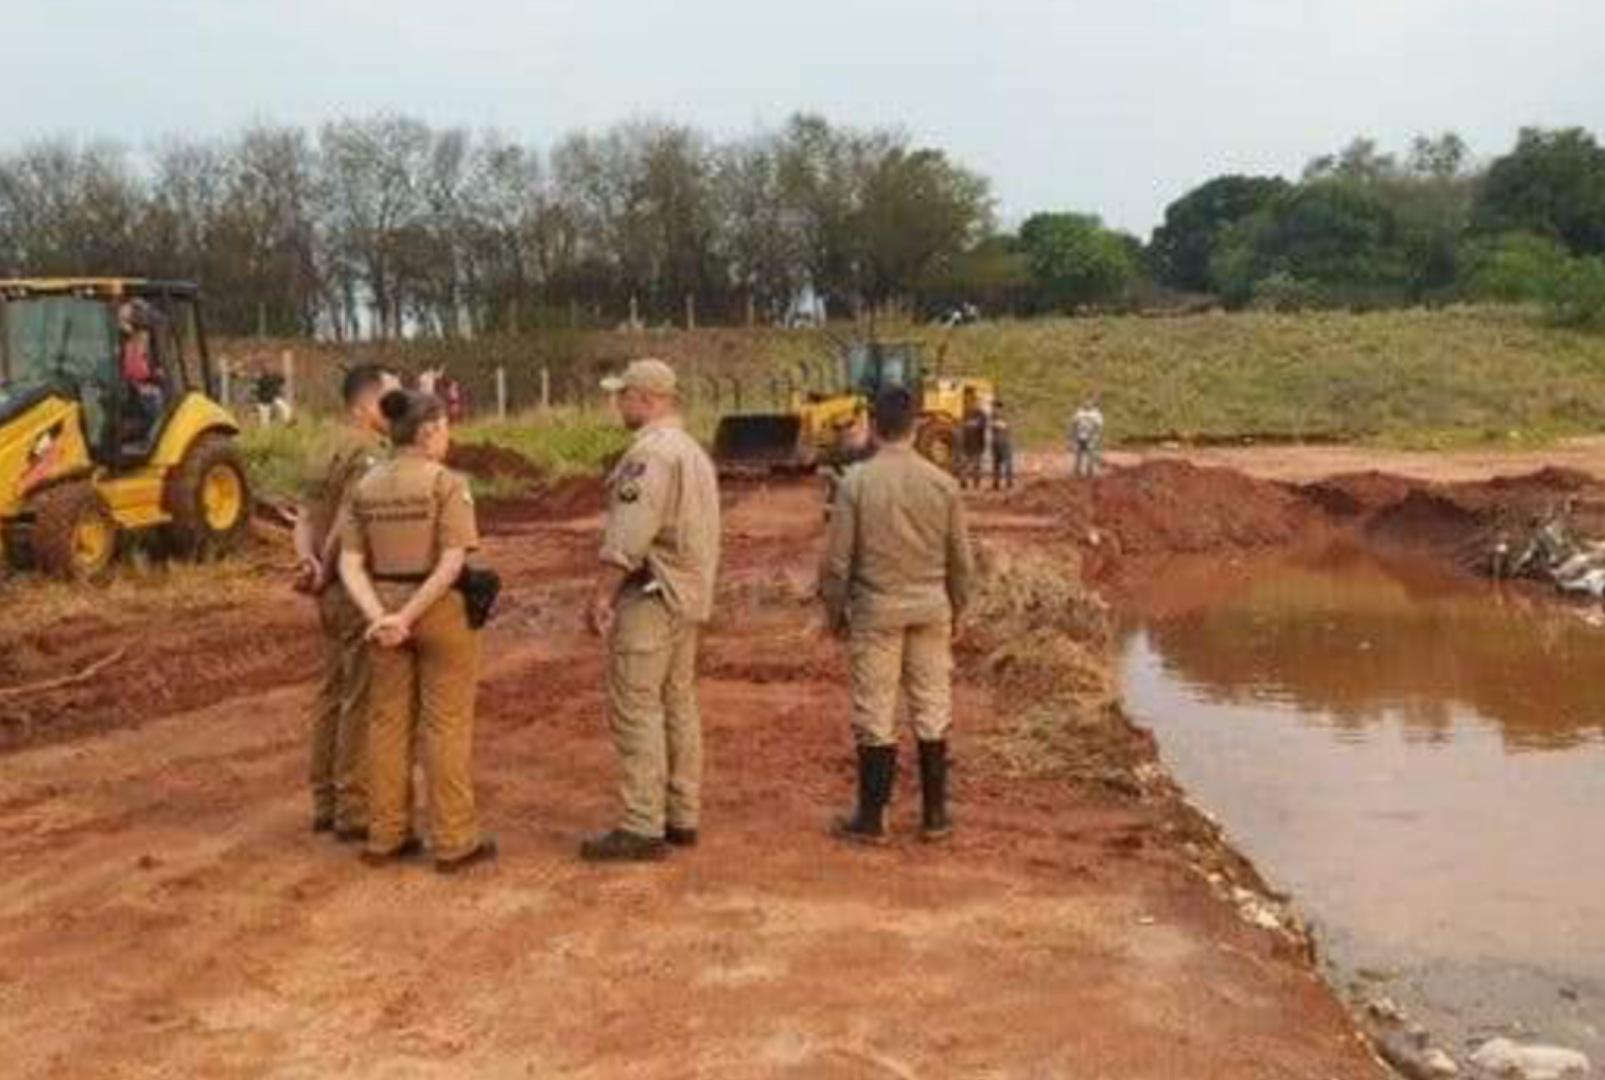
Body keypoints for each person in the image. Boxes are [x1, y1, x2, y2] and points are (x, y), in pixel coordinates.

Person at [339, 389, 497, 874]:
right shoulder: (446, 484)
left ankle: (385, 834)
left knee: (386, 723)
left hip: (382, 606)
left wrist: (380, 618)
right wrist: (410, 616)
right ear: (428, 432)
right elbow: (452, 561)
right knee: (445, 724)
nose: (448, 437)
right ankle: (453, 839)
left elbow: (350, 562)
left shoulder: (366, 486)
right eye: (445, 427)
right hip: (437, 610)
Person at [819, 385, 975, 845]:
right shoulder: (943, 484)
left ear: (872, 422)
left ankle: (872, 819)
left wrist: (835, 612)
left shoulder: (856, 484)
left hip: (876, 610)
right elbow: (961, 561)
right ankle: (935, 815)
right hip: (931, 608)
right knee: (932, 708)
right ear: (916, 425)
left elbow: (837, 563)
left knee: (876, 712)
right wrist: (958, 608)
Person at [583, 358, 721, 863]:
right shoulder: (692, 452)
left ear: (646, 398)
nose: (618, 403)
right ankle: (681, 814)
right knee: (678, 704)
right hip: (686, 596)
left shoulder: (650, 456)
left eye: (623, 395)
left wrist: (602, 594)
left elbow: (628, 537)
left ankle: (642, 823)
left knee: (637, 706)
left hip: (650, 596)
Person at [293, 362, 399, 840]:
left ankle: (324, 798)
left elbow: (302, 516)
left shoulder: (320, 444)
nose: (396, 411)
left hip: (324, 583)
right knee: (359, 693)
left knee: (330, 691)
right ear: (366, 404)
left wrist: (308, 564)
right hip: (352, 584)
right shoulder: (369, 451)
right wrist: (332, 565)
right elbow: (346, 520)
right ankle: (352, 806)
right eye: (390, 400)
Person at [959, 390, 988, 490]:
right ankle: (965, 481)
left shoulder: (979, 414)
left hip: (976, 443)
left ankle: (974, 483)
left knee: (975, 464)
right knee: (970, 464)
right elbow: (962, 428)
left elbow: (983, 429)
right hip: (969, 443)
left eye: (974, 402)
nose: (973, 404)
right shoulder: (967, 414)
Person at [1070, 397, 1105, 478]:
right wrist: (1073, 435)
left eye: (1089, 402)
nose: (1087, 404)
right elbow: (1074, 424)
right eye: (1086, 402)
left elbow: (1099, 426)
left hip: (1091, 437)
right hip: (1080, 436)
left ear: (1092, 404)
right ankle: (1077, 470)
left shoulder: (1096, 414)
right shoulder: (1079, 413)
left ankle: (1090, 470)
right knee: (1078, 454)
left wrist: (1095, 435)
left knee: (1090, 453)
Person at [990, 400, 1015, 491]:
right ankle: (996, 483)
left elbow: (1007, 427)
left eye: (995, 407)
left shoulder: (1004, 417)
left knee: (1007, 463)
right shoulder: (993, 417)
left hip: (1005, 443)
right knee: (996, 464)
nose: (994, 409)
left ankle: (1009, 482)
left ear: (999, 408)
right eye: (993, 408)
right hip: (996, 443)